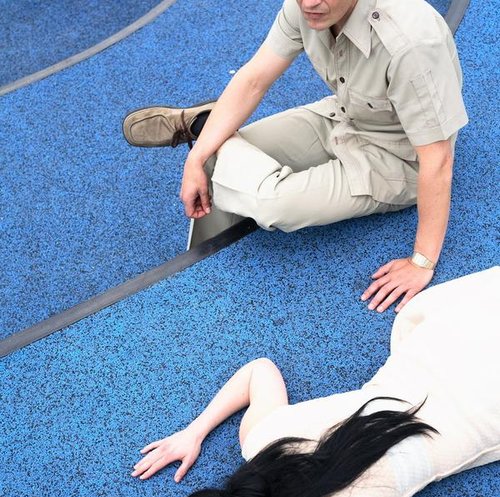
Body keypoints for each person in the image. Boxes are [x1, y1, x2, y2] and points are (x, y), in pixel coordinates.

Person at [122, 0, 468, 313]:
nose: (310, 3)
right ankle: (207, 124)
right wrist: (196, 158)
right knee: (214, 151)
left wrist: (422, 262)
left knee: (271, 204)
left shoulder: (411, 43)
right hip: (345, 116)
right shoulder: (304, 6)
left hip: (396, 159)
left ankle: (208, 124)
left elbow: (437, 160)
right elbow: (253, 80)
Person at [131, 267, 500, 497]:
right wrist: (193, 432)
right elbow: (259, 370)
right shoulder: (265, 440)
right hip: (439, 348)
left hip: (482, 407)